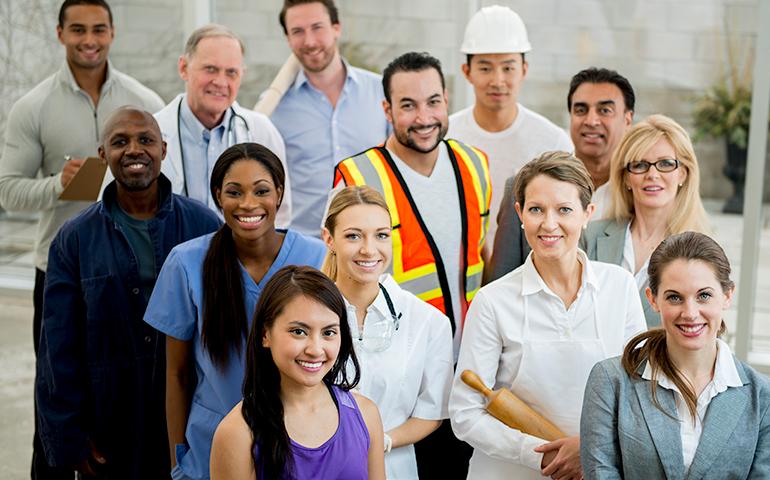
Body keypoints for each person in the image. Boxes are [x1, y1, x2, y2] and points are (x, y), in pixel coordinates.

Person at [0, 1, 165, 477]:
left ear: (112, 33)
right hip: (59, 273)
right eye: (77, 29)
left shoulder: (144, 101)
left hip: (131, 272)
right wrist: (58, 183)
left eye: (98, 29)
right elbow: (8, 189)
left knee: (128, 394)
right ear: (60, 34)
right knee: (55, 392)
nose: (88, 39)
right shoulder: (32, 107)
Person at [35, 107, 220, 479]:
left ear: (163, 150)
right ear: (102, 155)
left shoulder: (204, 226)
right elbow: (58, 349)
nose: (134, 149)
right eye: (120, 142)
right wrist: (70, 435)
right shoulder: (74, 239)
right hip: (107, 425)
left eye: (145, 140)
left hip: (189, 418)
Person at [333, 51, 490, 478]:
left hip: (467, 369)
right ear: (386, 110)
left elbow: (482, 260)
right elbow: (337, 270)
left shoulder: (475, 165)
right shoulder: (358, 174)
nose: (424, 117)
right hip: (396, 378)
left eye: (434, 101)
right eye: (408, 105)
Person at [450, 151, 646, 479]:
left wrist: (591, 448)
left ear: (588, 214)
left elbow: (640, 392)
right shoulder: (492, 301)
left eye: (564, 210)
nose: (549, 224)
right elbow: (465, 413)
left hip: (596, 468)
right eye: (536, 209)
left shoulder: (619, 287)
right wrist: (542, 457)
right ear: (520, 213)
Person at [144, 143, 325, 480]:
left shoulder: (317, 257)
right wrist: (177, 461)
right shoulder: (186, 263)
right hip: (209, 449)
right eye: (234, 192)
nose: (248, 204)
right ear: (217, 196)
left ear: (279, 194)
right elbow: (177, 375)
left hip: (301, 444)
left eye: (261, 191)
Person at [581, 231, 770, 479]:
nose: (690, 313)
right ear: (653, 299)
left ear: (727, 296)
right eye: (674, 297)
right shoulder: (610, 381)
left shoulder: (762, 396)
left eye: (704, 295)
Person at [321, 186, 454, 479]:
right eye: (353, 236)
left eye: (381, 235)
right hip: (317, 463)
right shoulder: (307, 314)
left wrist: (381, 442)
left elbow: (431, 413)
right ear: (329, 239)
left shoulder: (428, 322)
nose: (369, 249)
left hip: (394, 465)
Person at [210, 265, 386, 479]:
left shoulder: (366, 415)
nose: (315, 349)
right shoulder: (237, 432)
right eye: (299, 332)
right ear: (266, 334)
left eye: (328, 332)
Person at [487, 67, 635, 282]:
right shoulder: (523, 187)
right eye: (581, 110)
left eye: (605, 111)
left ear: (628, 119)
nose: (591, 120)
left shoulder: (640, 192)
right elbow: (501, 280)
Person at [448, 4, 572, 241]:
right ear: (467, 72)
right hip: (464, 269)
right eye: (485, 68)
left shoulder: (553, 142)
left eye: (508, 68)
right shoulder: (447, 137)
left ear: (524, 70)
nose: (498, 80)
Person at [271, 0, 390, 237]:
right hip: (305, 250)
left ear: (337, 27)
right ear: (288, 39)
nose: (310, 41)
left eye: (317, 27)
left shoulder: (382, 91)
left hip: (372, 247)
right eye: (297, 31)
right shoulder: (274, 107)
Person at [581, 115, 710, 327]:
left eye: (666, 164)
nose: (652, 174)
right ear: (625, 178)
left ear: (683, 174)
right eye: (640, 165)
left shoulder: (700, 252)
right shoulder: (590, 236)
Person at [154, 24, 290, 224]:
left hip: (244, 255)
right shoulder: (152, 133)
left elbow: (280, 216)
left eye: (231, 72)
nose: (220, 82)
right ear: (183, 68)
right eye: (210, 69)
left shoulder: (262, 131)